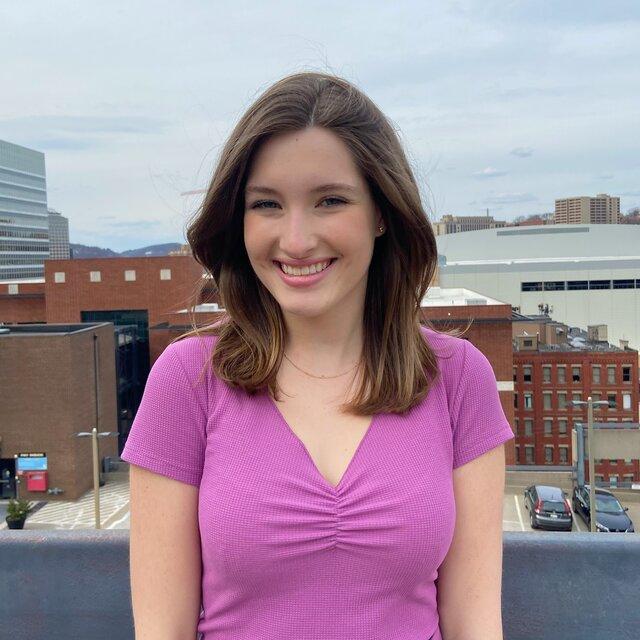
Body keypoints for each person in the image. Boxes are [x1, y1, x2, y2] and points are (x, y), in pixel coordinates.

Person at [121, 71, 515, 640]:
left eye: (330, 200)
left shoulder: (457, 378)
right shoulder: (188, 380)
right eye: (267, 204)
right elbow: (162, 632)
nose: (297, 240)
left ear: (382, 212)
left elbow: (475, 625)